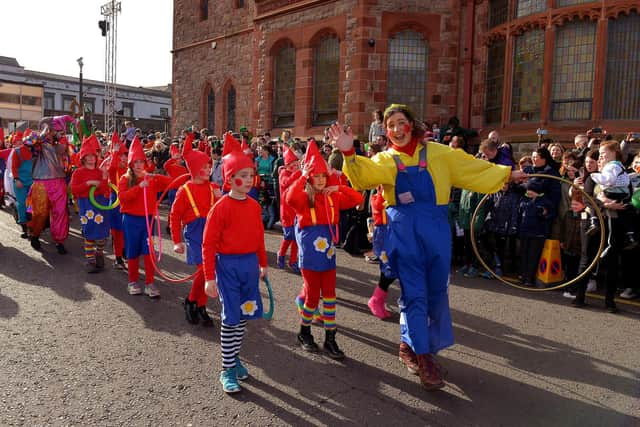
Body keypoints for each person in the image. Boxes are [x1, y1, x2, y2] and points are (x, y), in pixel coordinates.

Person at [330, 104, 524, 390]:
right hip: (404, 234)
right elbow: (363, 176)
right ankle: (423, 358)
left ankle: (414, 346)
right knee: (415, 293)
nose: (396, 130)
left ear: (412, 125)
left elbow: (473, 168)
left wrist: (507, 175)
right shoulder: (386, 159)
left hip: (436, 232)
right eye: (390, 125)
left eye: (400, 123)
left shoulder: (440, 154)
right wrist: (348, 152)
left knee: (436, 293)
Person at [286, 140, 364, 359]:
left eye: (323, 176)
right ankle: (304, 332)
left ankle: (330, 338)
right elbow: (290, 197)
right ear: (310, 178)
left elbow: (358, 198)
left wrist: (338, 185)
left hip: (328, 256)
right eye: (316, 176)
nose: (320, 180)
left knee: (329, 296)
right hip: (310, 257)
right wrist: (302, 175)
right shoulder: (303, 197)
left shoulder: (332, 196)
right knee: (312, 297)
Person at [202, 146, 267, 394]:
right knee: (230, 319)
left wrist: (262, 263)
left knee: (242, 318)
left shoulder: (253, 205)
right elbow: (208, 245)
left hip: (249, 266)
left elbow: (259, 237)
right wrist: (209, 278)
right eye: (243, 175)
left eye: (251, 175)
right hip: (227, 267)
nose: (249, 180)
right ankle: (226, 369)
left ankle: (234, 359)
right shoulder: (220, 208)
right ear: (229, 178)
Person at [170, 133, 220, 326]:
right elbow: (174, 216)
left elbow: (222, 212)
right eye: (204, 167)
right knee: (204, 270)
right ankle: (192, 301)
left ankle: (200, 304)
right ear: (194, 168)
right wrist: (176, 241)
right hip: (194, 232)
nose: (208, 170)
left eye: (209, 166)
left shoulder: (213, 187)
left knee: (210, 271)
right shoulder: (185, 190)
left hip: (211, 231)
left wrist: (220, 197)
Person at [118, 137, 172, 298]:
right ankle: (132, 281)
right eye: (136, 163)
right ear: (131, 165)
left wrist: (172, 164)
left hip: (148, 220)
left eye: (141, 162)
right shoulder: (125, 179)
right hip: (131, 220)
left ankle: (150, 283)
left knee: (149, 252)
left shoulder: (152, 178)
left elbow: (172, 182)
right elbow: (123, 198)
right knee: (132, 251)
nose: (139, 165)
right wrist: (138, 187)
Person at [29, 115, 74, 254]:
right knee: (39, 213)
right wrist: (44, 134)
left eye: (61, 131)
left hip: (59, 182)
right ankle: (35, 235)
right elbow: (28, 142)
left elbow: (67, 162)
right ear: (48, 130)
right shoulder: (38, 144)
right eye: (56, 130)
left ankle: (59, 241)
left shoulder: (62, 146)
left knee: (60, 212)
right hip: (41, 183)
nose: (59, 133)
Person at [70, 135, 111, 273]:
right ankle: (90, 261)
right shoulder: (78, 172)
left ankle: (99, 253)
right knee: (89, 233)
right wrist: (88, 183)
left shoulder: (100, 171)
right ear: (83, 157)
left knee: (102, 234)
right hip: (86, 205)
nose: (91, 158)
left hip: (100, 204)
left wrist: (104, 177)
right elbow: (74, 190)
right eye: (88, 155)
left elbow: (106, 190)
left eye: (93, 155)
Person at [589, 140, 637, 252]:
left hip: (615, 203)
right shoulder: (613, 168)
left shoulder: (612, 167)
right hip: (605, 210)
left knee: (616, 230)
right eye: (599, 155)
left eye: (603, 154)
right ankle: (630, 235)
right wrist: (603, 202)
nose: (600, 157)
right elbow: (592, 197)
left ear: (613, 153)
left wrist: (595, 176)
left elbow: (609, 181)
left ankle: (625, 239)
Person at [367, 185, 397, 319]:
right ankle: (375, 300)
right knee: (388, 270)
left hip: (393, 236)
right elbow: (379, 205)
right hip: (384, 238)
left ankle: (378, 300)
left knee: (392, 270)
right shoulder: (377, 197)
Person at [276, 145, 302, 273]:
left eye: (297, 164)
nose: (295, 167)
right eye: (293, 164)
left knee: (296, 238)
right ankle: (281, 254)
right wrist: (298, 174)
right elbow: (286, 183)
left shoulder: (297, 174)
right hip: (286, 212)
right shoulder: (284, 174)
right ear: (287, 165)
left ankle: (293, 261)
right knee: (289, 236)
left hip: (297, 211)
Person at [106, 132, 129, 270]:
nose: (123, 158)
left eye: (124, 155)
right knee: (117, 232)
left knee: (126, 230)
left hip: (128, 203)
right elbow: (112, 168)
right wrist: (114, 153)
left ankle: (125, 252)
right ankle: (118, 257)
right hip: (115, 203)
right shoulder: (112, 167)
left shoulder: (129, 169)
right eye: (120, 156)